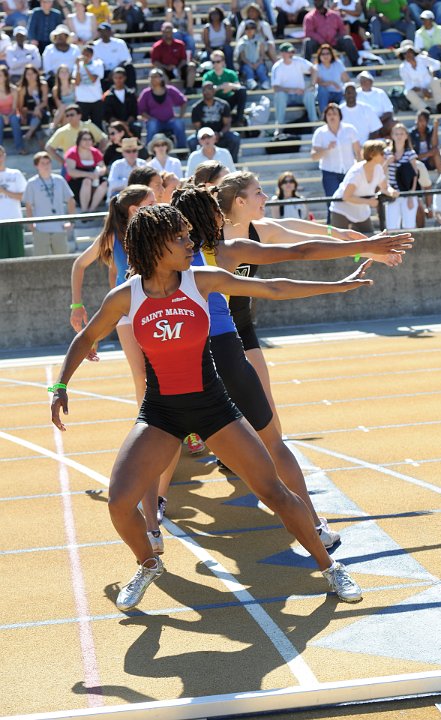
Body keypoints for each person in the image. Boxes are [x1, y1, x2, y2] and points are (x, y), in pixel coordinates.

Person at [50, 202, 374, 610]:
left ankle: (330, 568)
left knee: (274, 490)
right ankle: (149, 564)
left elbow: (273, 287)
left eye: (189, 235)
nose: (191, 244)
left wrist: (338, 286)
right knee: (118, 503)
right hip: (161, 412)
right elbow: (85, 338)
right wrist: (61, 384)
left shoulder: (201, 279)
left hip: (213, 406)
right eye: (181, 238)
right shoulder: (125, 297)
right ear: (154, 246)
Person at [215, 171, 409, 435]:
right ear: (239, 201)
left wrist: (370, 251)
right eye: (258, 191)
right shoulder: (211, 235)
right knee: (214, 398)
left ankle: (271, 453)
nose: (266, 196)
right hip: (208, 326)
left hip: (240, 320)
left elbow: (309, 245)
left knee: (262, 395)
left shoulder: (263, 230)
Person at [68, 184, 165, 555]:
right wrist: (78, 305)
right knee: (142, 375)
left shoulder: (155, 227)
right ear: (130, 210)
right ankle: (151, 425)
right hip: (130, 307)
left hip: (156, 303)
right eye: (149, 203)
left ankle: (169, 427)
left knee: (157, 372)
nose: (156, 206)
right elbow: (80, 264)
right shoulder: (113, 234)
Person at [330, 139, 399, 232]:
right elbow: (346, 197)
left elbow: (385, 187)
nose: (385, 156)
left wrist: (392, 192)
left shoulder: (378, 168)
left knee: (370, 241)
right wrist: (369, 202)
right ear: (372, 155)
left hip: (361, 213)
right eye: (382, 154)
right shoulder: (357, 172)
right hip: (342, 210)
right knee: (337, 242)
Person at [310, 102, 361, 221]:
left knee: (351, 202)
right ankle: (330, 234)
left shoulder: (350, 129)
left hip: (349, 171)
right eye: (329, 114)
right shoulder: (320, 133)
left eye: (335, 113)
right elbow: (314, 156)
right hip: (330, 173)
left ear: (340, 116)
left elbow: (358, 152)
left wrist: (359, 170)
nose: (332, 116)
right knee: (332, 204)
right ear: (325, 117)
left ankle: (353, 231)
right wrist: (327, 149)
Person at [23, 151, 75, 256]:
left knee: (63, 261)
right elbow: (28, 206)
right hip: (41, 229)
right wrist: (31, 225)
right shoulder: (32, 183)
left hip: (59, 228)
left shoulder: (59, 180)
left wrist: (71, 221)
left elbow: (71, 200)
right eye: (43, 163)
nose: (46, 165)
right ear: (36, 166)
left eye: (48, 163)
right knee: (40, 263)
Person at [188, 82, 240, 161]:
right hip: (204, 137)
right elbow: (197, 127)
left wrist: (219, 134)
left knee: (235, 138)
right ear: (202, 92)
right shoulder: (196, 108)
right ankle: (198, 165)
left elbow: (227, 124)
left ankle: (233, 163)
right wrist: (207, 137)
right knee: (191, 141)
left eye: (210, 89)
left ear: (214, 91)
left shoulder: (223, 105)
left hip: (221, 135)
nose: (207, 91)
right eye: (205, 89)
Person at [271, 42, 317, 129]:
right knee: (279, 95)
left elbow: (313, 69)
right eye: (289, 52)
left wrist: (312, 84)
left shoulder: (298, 61)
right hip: (286, 96)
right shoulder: (277, 67)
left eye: (292, 52)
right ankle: (279, 127)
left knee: (309, 94)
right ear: (282, 53)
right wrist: (292, 90)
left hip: (301, 94)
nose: (292, 54)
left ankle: (314, 124)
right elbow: (275, 88)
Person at [137, 68, 187, 147]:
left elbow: (183, 102)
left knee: (179, 123)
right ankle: (149, 151)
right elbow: (141, 110)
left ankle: (182, 151)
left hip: (170, 121)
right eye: (151, 77)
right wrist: (150, 118)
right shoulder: (146, 93)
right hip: (154, 121)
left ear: (161, 78)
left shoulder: (170, 90)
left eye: (155, 76)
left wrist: (180, 116)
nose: (153, 79)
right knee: (152, 124)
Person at [303, 0, 359, 67]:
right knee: (308, 42)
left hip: (334, 42)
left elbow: (341, 30)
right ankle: (306, 68)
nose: (317, 2)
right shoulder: (309, 17)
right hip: (318, 44)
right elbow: (309, 32)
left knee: (347, 39)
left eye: (319, 1)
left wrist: (335, 39)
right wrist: (321, 40)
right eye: (316, 1)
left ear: (324, 2)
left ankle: (357, 65)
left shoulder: (335, 15)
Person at [397, 39, 441, 114]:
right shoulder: (403, 67)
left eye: (410, 52)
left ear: (413, 52)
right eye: (405, 53)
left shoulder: (422, 59)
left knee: (435, 80)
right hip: (418, 92)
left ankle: (440, 107)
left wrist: (432, 72)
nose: (408, 55)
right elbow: (408, 85)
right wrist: (422, 90)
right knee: (407, 92)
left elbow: (436, 64)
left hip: (430, 88)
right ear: (402, 55)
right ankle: (426, 109)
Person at [384, 122, 419, 230]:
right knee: (391, 226)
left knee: (409, 226)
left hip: (407, 192)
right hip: (392, 193)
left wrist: (410, 194)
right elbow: (381, 173)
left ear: (406, 136)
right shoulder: (387, 153)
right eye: (396, 134)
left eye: (401, 134)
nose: (399, 136)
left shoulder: (410, 153)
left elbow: (415, 174)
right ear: (392, 136)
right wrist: (387, 162)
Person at [64, 129, 108, 211]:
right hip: (76, 184)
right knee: (87, 181)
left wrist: (100, 172)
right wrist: (89, 175)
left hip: (94, 181)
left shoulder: (95, 152)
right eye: (84, 139)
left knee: (104, 183)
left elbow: (103, 167)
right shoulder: (72, 153)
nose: (87, 141)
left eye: (89, 139)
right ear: (79, 140)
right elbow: (71, 172)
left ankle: (91, 209)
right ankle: (84, 210)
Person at [202, 50, 247, 126]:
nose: (215, 64)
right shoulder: (207, 75)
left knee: (242, 90)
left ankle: (239, 119)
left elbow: (239, 86)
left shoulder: (230, 73)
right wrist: (220, 87)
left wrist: (230, 86)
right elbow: (205, 90)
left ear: (223, 62)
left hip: (229, 100)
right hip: (215, 102)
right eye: (213, 62)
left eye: (218, 61)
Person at [150, 21, 196, 93]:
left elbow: (184, 59)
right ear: (162, 32)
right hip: (165, 70)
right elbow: (155, 62)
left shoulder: (180, 44)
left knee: (191, 66)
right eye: (166, 31)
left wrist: (178, 68)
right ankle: (168, 91)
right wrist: (166, 67)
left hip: (179, 69)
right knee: (159, 70)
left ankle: (189, 89)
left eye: (170, 30)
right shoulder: (157, 46)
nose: (168, 33)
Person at [0, 145, 26, 259]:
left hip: (14, 221)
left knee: (17, 257)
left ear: (4, 156)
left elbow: (24, 197)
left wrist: (4, 191)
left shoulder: (15, 174)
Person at [93, 22, 136, 91]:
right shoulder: (95, 45)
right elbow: (94, 62)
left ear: (110, 32)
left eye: (105, 31)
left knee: (129, 67)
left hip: (120, 69)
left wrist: (114, 72)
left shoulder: (119, 43)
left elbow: (126, 60)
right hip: (104, 72)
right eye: (101, 31)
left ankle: (131, 90)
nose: (103, 33)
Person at [101, 66, 140, 136]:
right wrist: (120, 124)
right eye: (116, 78)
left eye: (120, 78)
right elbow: (107, 115)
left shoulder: (131, 94)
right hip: (113, 124)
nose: (118, 80)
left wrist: (126, 124)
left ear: (125, 78)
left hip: (129, 124)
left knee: (136, 127)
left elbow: (134, 112)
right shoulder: (107, 96)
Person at [73, 44, 105, 128]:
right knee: (82, 126)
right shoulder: (77, 66)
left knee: (97, 125)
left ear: (92, 55)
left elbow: (93, 80)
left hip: (96, 99)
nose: (85, 57)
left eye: (87, 55)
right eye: (83, 54)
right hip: (82, 100)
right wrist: (78, 67)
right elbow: (77, 82)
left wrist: (85, 66)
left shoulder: (98, 64)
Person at [17, 64, 50, 145]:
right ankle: (41, 143)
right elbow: (20, 106)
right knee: (35, 117)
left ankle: (29, 133)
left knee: (38, 114)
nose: (31, 76)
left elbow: (45, 102)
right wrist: (25, 114)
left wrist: (37, 108)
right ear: (25, 76)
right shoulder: (23, 89)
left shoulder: (43, 85)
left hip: (42, 112)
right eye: (28, 74)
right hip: (29, 113)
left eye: (33, 73)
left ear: (37, 74)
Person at [356, 70, 394, 138]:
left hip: (381, 122)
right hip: (362, 123)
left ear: (371, 81)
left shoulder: (380, 93)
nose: (364, 82)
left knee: (393, 123)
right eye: (362, 81)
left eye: (366, 80)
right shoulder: (356, 93)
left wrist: (376, 122)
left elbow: (389, 111)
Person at [235, 19, 270, 90]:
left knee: (261, 70)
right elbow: (242, 57)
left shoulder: (260, 39)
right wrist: (250, 64)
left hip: (258, 62)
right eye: (247, 28)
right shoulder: (242, 41)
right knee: (248, 71)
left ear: (255, 29)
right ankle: (251, 83)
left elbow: (262, 54)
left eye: (252, 28)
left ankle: (265, 83)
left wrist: (258, 63)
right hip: (247, 63)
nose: (249, 30)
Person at [314, 43, 349, 114]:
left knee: (348, 93)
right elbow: (319, 82)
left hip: (338, 92)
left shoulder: (338, 64)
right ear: (319, 56)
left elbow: (346, 80)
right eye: (323, 54)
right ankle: (323, 115)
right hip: (325, 94)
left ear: (331, 54)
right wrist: (331, 83)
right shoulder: (317, 67)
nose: (325, 56)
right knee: (322, 90)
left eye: (327, 53)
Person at [409, 108, 441, 172]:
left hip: (429, 161)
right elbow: (412, 155)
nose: (417, 122)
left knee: (436, 151)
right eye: (417, 119)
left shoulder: (430, 131)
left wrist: (435, 128)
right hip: (417, 161)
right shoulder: (411, 134)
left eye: (421, 120)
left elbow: (435, 145)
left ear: (426, 122)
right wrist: (428, 154)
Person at [0, 66, 24, 154]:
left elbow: (14, 108)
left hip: (12, 113)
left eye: (1, 75)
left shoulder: (13, 89)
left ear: (6, 77)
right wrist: (3, 116)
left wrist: (8, 116)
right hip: (0, 115)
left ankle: (20, 148)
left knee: (14, 120)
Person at [51, 64, 77, 131]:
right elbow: (59, 105)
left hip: (75, 109)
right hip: (63, 112)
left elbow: (77, 101)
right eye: (62, 72)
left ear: (69, 74)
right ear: (58, 75)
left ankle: (53, 127)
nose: (64, 74)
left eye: (66, 72)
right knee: (63, 108)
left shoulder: (74, 84)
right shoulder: (55, 89)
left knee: (67, 112)